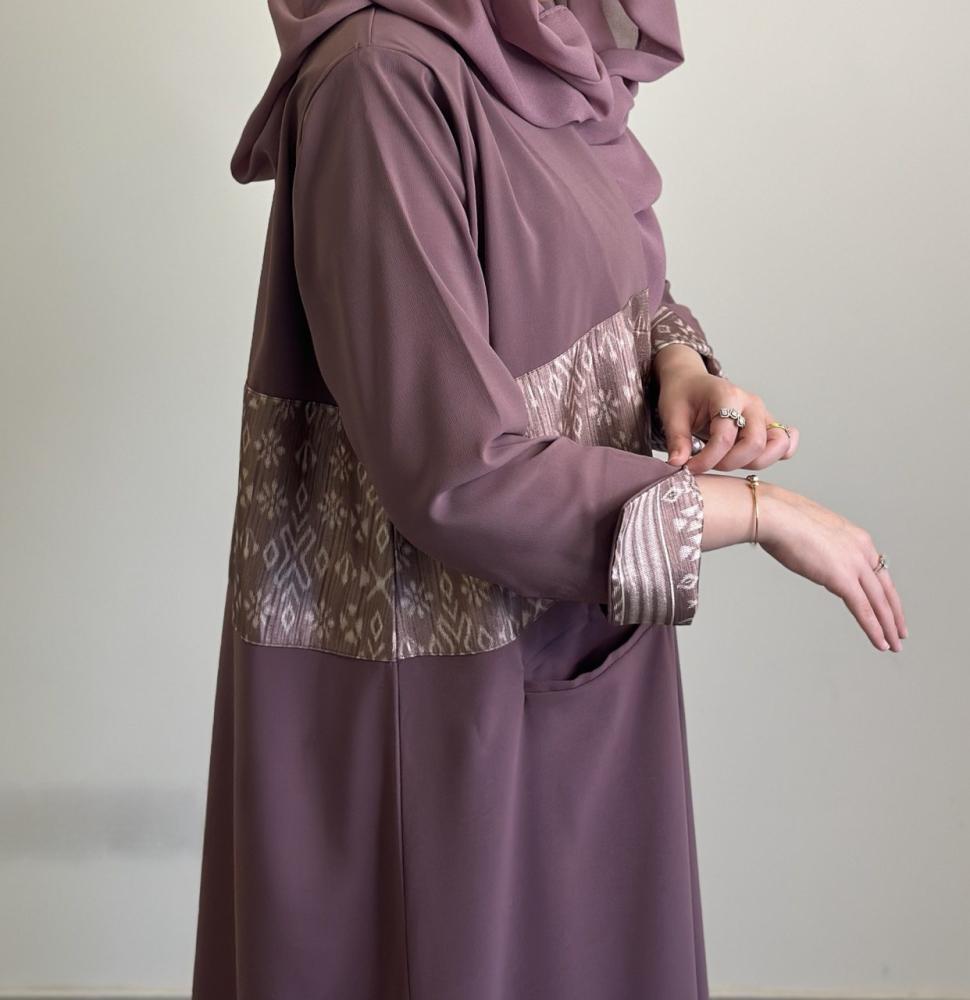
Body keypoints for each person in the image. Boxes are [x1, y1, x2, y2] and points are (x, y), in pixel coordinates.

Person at [191, 2, 907, 997]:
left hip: (577, 654)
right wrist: (759, 513)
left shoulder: (533, 42)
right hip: (441, 711)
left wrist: (677, 368)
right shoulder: (379, 82)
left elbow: (618, 264)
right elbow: (458, 471)